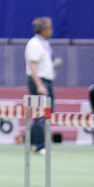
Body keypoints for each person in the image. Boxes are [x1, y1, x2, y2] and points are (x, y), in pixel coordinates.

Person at [25, 16, 59, 154]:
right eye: (50, 27)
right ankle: (39, 144)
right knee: (42, 113)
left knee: (46, 112)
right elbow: (33, 66)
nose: (52, 30)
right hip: (40, 81)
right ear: (43, 29)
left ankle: (32, 141)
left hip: (46, 80)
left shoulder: (44, 43)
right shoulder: (34, 44)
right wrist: (39, 85)